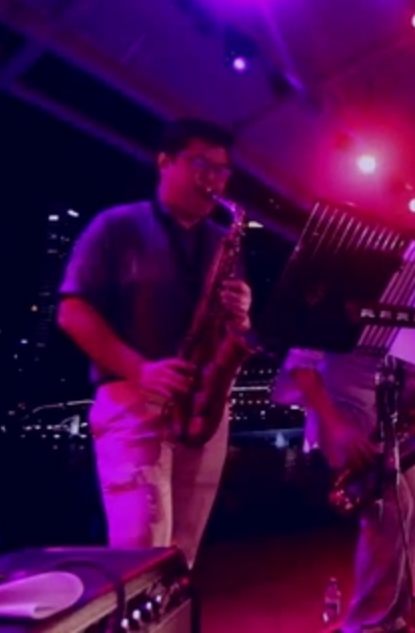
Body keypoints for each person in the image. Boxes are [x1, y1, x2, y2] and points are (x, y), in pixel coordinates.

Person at [56, 118, 252, 566]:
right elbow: (72, 312)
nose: (213, 180)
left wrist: (242, 311)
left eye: (222, 171)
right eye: (201, 165)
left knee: (181, 561)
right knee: (140, 562)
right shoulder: (116, 226)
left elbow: (230, 332)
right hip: (133, 402)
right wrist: (141, 370)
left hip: (202, 410)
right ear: (165, 162)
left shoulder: (222, 241)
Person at [282, 348, 415, 632]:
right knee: (390, 507)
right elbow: (299, 365)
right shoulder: (341, 322)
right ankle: (365, 622)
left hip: (381, 419)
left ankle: (394, 617)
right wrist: (337, 426)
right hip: (344, 415)